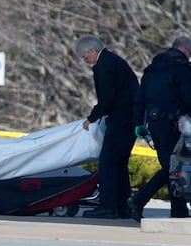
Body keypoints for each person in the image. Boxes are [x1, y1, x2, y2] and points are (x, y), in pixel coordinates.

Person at [128, 36, 191, 222]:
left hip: (155, 124)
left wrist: (138, 123)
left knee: (170, 166)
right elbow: (188, 99)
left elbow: (140, 98)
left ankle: (178, 209)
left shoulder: (151, 69)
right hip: (174, 125)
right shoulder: (182, 69)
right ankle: (138, 200)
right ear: (186, 50)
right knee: (173, 168)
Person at [75, 34, 139, 219]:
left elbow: (107, 98)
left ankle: (108, 207)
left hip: (121, 118)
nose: (84, 59)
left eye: (85, 55)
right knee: (119, 163)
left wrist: (92, 118)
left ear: (93, 51)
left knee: (108, 162)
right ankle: (123, 205)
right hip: (130, 117)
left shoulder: (103, 65)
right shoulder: (115, 61)